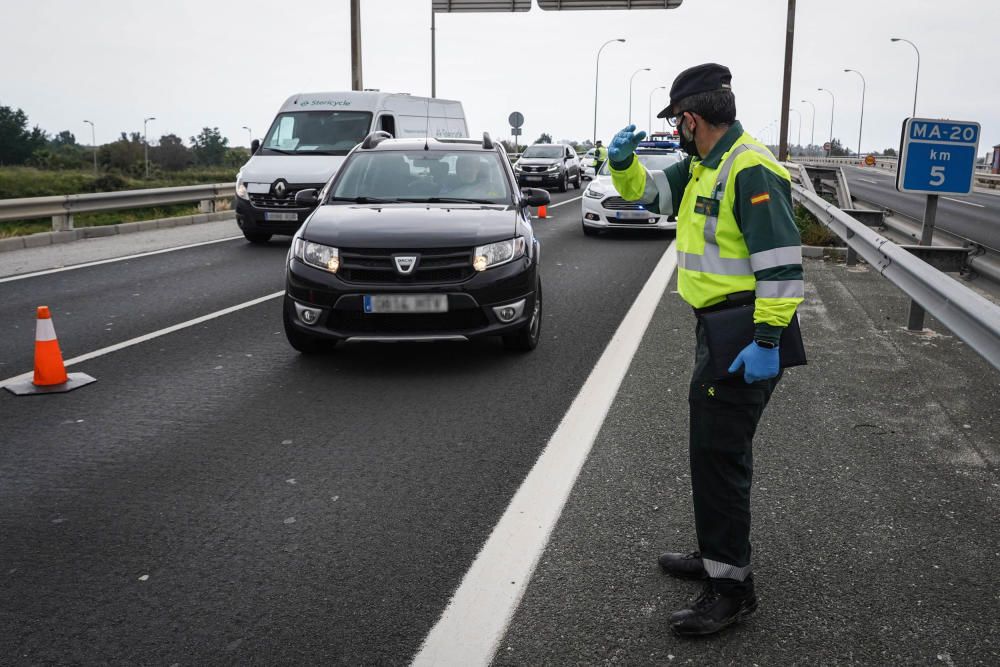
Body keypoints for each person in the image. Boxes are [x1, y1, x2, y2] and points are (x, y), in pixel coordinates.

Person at [608, 63, 803, 637]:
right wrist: (622, 164)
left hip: (744, 332)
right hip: (717, 327)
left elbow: (782, 265)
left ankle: (732, 589)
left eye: (676, 122)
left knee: (722, 458)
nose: (675, 132)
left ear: (692, 118)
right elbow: (649, 195)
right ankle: (714, 552)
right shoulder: (704, 164)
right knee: (709, 451)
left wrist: (767, 339)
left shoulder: (749, 169)